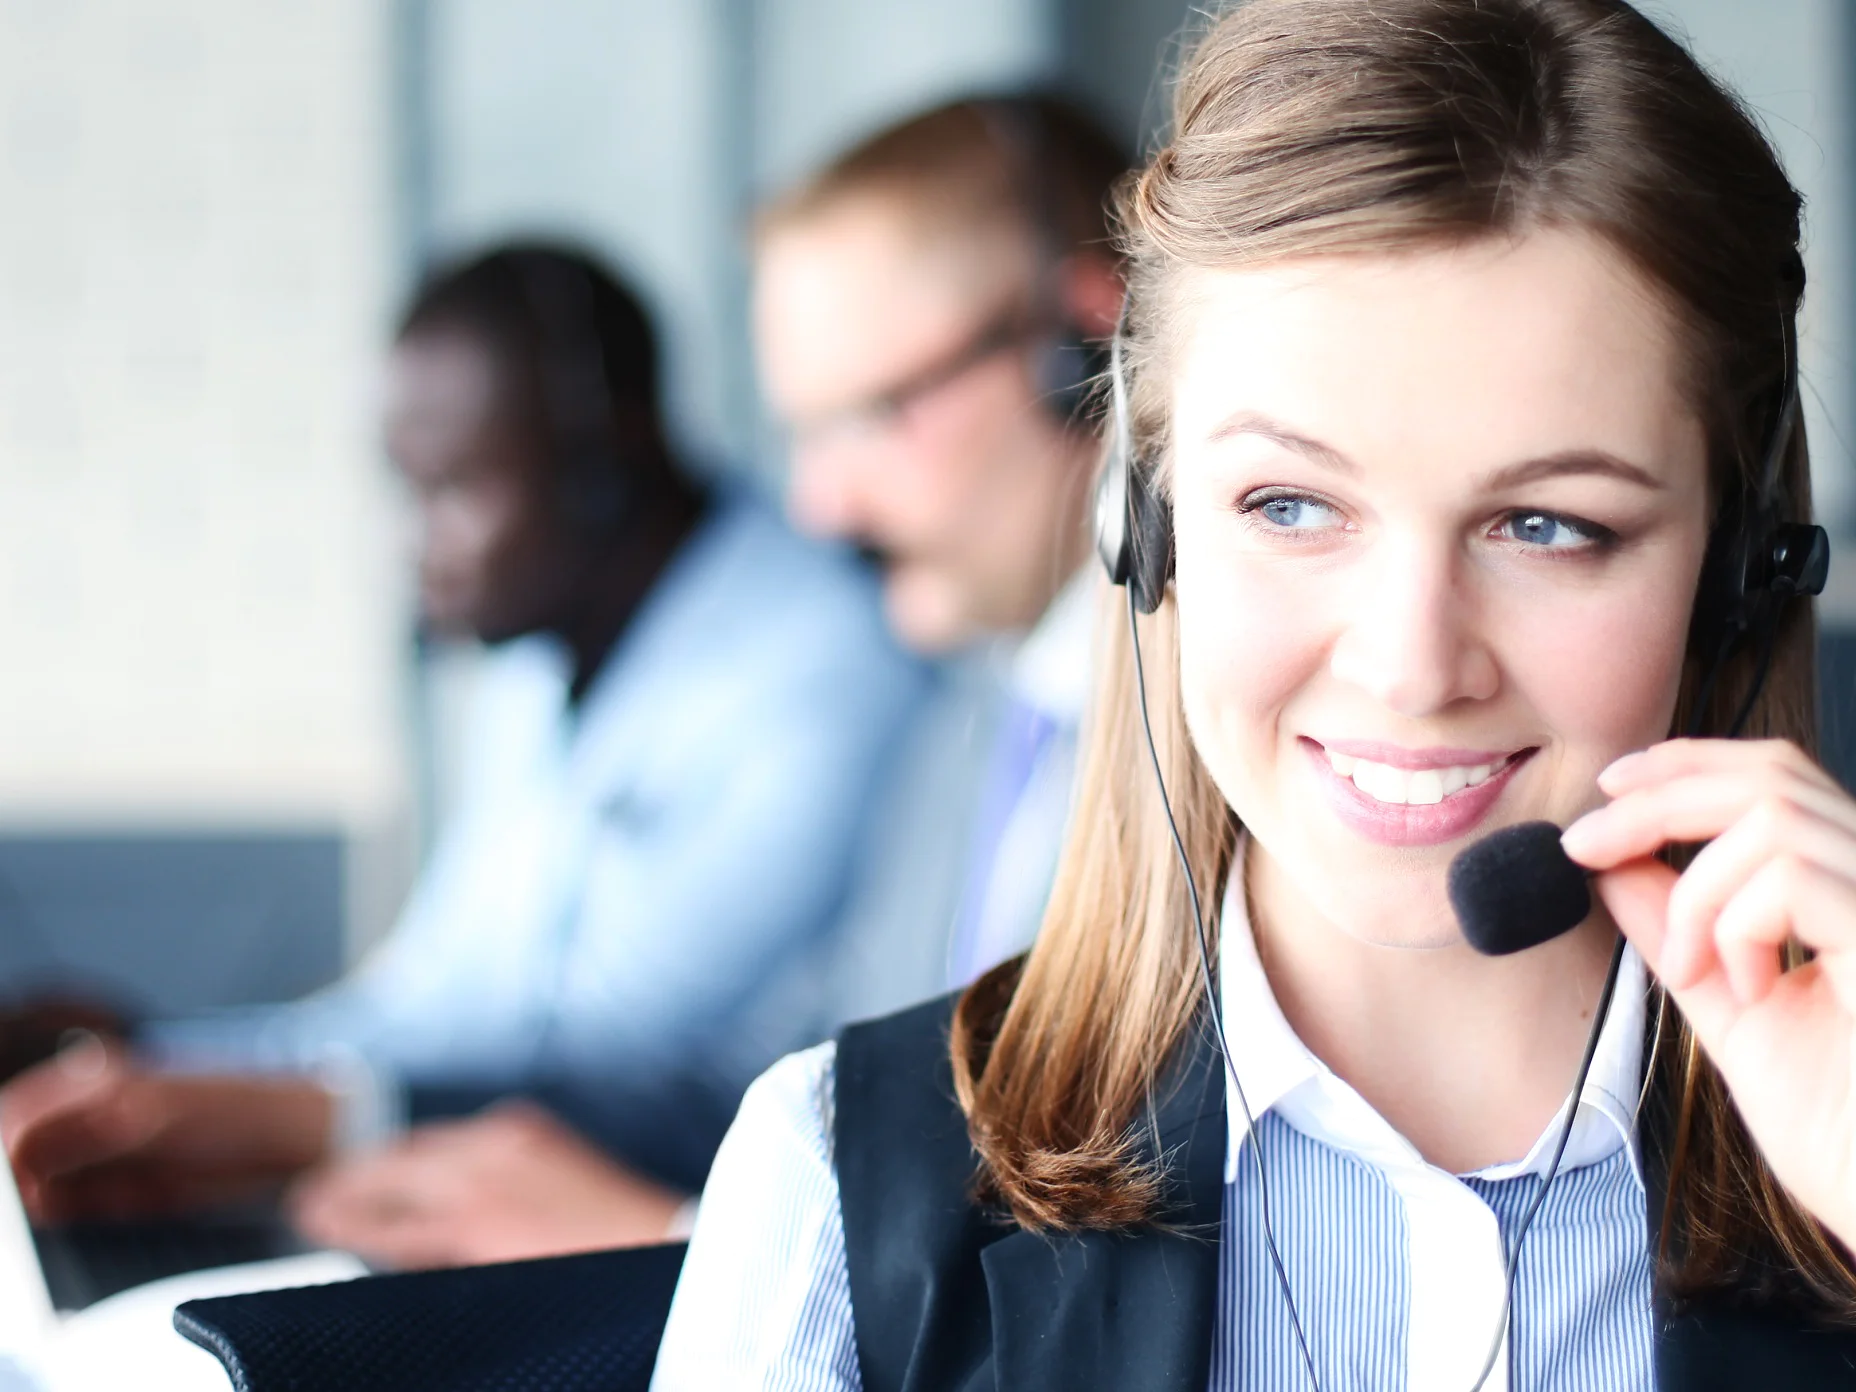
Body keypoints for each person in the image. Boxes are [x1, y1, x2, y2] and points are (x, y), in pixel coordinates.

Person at [651, 2, 1856, 1387]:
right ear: (1144, 533)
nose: (1411, 664)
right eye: (1292, 505)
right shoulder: (835, 1192)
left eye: (1546, 526)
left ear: (1743, 569)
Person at [0, 244, 925, 1267]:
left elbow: (606, 1059)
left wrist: (231, 1093)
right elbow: (432, 998)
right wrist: (139, 1059)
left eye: (452, 490)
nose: (416, 545)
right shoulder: (540, 653)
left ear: (600, 465)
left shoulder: (824, 662)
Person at [753, 94, 1128, 1017]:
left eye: (872, 415)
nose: (817, 507)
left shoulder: (1250, 735)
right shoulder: (968, 715)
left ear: (1083, 347)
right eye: (804, 435)